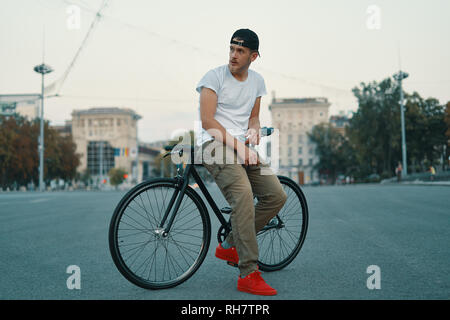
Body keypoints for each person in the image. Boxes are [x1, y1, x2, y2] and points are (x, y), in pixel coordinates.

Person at [195, 29, 287, 296]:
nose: (234, 55)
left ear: (253, 56)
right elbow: (208, 123)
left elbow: (254, 117)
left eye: (241, 51)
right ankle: (248, 273)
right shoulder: (213, 78)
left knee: (276, 196)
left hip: (240, 146)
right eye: (232, 48)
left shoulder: (257, 82)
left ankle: (232, 242)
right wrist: (240, 148)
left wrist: (254, 129)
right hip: (213, 144)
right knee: (244, 195)